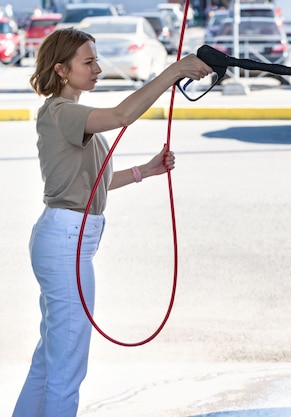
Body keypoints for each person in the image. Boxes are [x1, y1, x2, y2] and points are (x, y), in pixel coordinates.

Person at [12, 28, 212, 417]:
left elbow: (94, 181)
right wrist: (173, 72)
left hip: (65, 237)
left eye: (96, 60)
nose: (98, 69)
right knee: (67, 366)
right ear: (62, 69)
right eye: (88, 62)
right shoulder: (61, 111)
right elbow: (123, 115)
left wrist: (145, 171)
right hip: (65, 241)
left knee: (51, 357)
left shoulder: (67, 113)